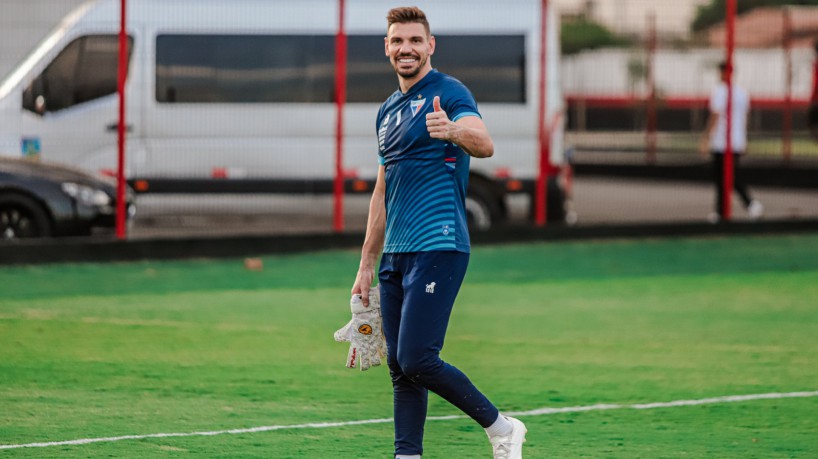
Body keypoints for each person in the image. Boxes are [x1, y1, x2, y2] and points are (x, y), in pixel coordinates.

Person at [350, 6, 527, 459]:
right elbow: (382, 190)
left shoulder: (448, 92)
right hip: (395, 253)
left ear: (430, 46)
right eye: (397, 41)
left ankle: (502, 427)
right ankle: (406, 455)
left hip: (440, 242)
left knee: (416, 358)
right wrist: (367, 262)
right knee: (399, 368)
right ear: (387, 48)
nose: (405, 48)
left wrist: (451, 131)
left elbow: (484, 144)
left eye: (414, 40)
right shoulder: (387, 111)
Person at [698, 61, 762, 223]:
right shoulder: (742, 93)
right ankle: (726, 210)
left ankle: (747, 204)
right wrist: (744, 138)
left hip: (722, 141)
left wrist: (705, 138)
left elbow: (715, 116)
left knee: (725, 177)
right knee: (726, 176)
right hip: (737, 141)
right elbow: (745, 118)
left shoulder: (720, 92)